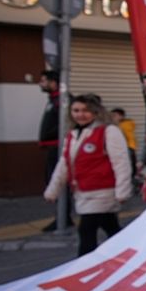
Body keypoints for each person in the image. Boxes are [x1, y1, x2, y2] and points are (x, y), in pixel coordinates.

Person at [43, 95, 132, 256]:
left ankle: (82, 263)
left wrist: (123, 191)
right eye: (76, 110)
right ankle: (129, 253)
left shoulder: (109, 131)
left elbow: (121, 162)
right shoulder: (73, 134)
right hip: (82, 191)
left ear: (96, 112)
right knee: (111, 227)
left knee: (86, 230)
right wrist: (53, 190)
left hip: (103, 191)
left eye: (85, 110)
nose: (80, 115)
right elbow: (64, 164)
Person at [38, 70, 72, 230]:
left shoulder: (62, 100)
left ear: (53, 82)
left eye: (43, 80)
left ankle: (63, 218)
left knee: (59, 180)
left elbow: (67, 122)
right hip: (53, 146)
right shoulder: (54, 99)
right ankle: (62, 216)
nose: (41, 84)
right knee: (54, 179)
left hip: (59, 146)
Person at [109, 108, 138, 182]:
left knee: (128, 165)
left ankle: (130, 180)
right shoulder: (123, 124)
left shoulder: (125, 125)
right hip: (128, 147)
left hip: (128, 147)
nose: (112, 117)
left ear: (121, 116)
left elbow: (122, 137)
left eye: (114, 115)